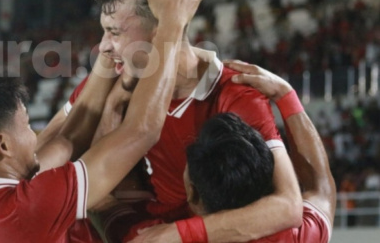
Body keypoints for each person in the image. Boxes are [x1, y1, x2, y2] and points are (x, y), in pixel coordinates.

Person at [0, 0, 302, 242]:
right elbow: (43, 153)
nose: (103, 46)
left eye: (113, 31)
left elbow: (287, 207)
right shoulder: (115, 81)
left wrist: (174, 236)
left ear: (160, 29)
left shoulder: (236, 92)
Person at [130, 61, 335, 242]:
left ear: (192, 192)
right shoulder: (299, 236)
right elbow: (321, 188)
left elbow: (109, 207)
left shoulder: (154, 235)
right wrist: (285, 94)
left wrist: (112, 104)